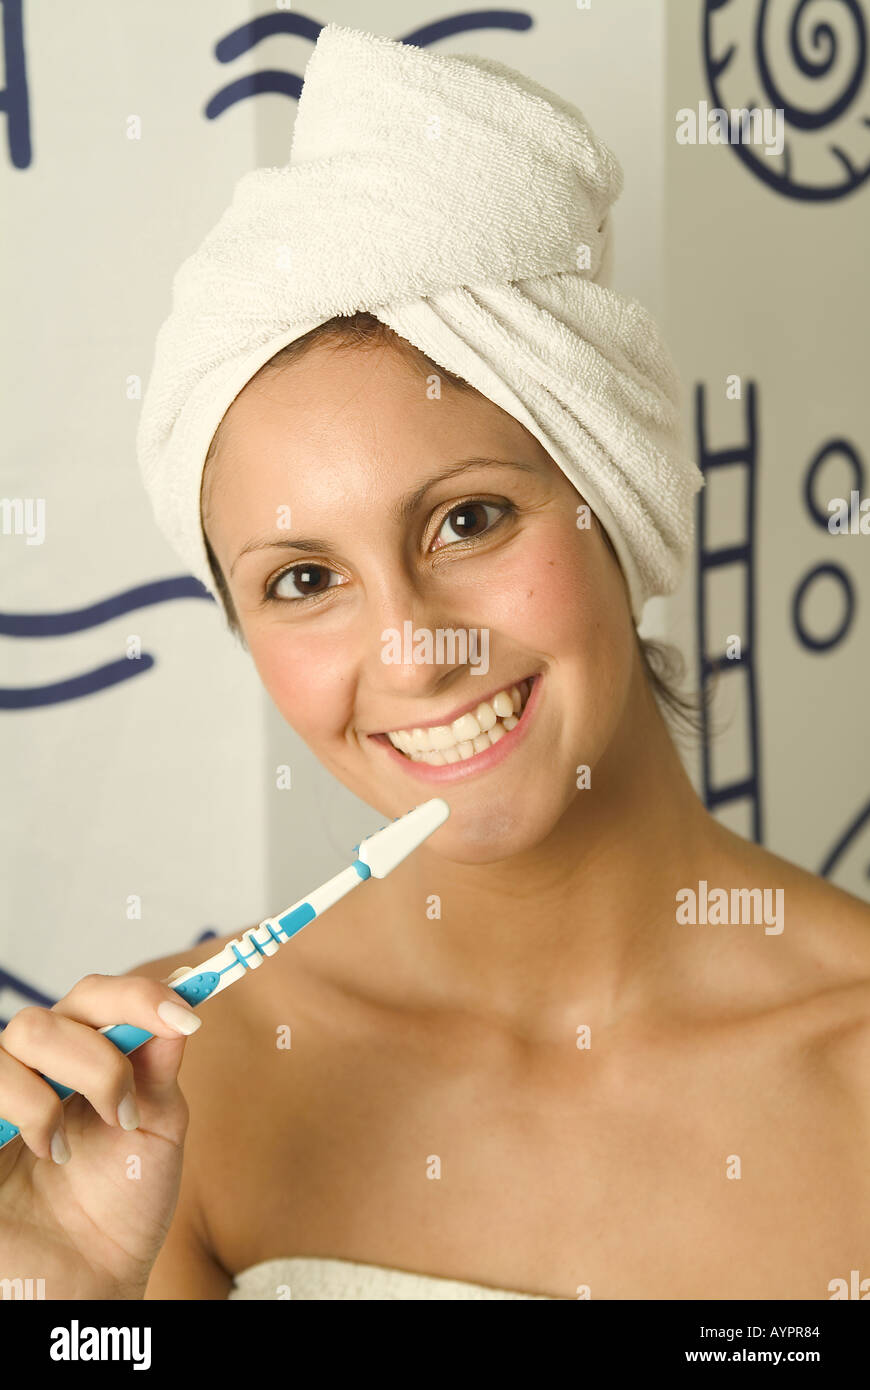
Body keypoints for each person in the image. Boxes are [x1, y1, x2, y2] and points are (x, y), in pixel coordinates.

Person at [2, 24, 868, 1302]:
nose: (412, 648)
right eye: (304, 582)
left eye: (469, 519)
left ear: (613, 505)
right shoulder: (180, 1082)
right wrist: (60, 1307)